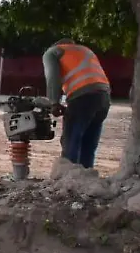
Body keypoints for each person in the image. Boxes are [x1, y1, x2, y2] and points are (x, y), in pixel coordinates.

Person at [44, 38, 111, 169]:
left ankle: (68, 175)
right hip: (104, 97)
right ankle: (86, 176)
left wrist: (54, 102)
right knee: (88, 144)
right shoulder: (85, 50)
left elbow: (53, 77)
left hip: (82, 97)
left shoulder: (53, 52)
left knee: (71, 141)